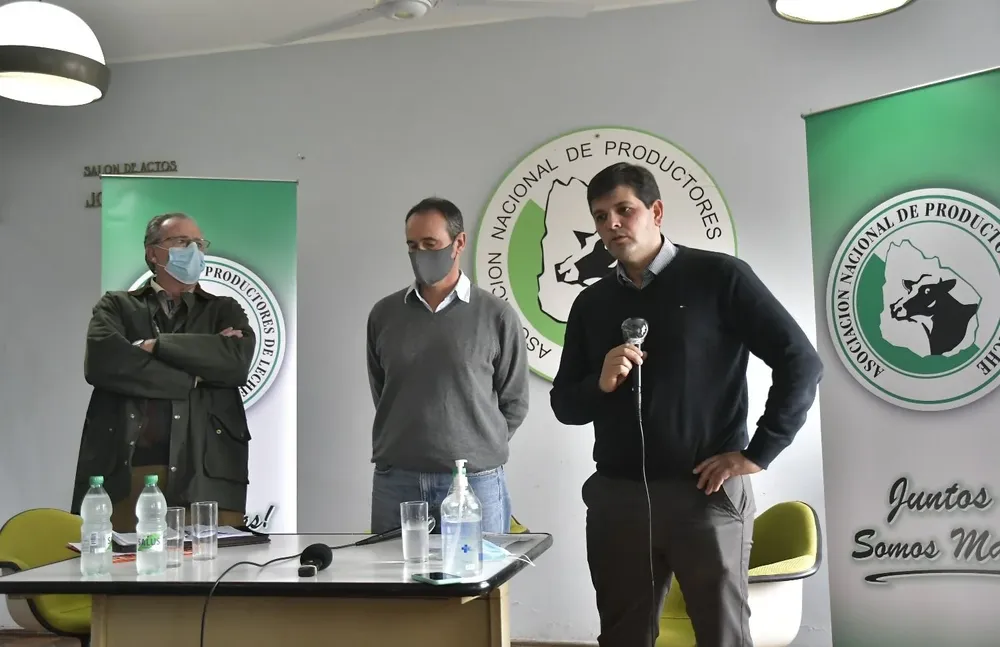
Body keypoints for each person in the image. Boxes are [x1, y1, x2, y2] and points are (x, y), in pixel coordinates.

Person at [550, 163, 823, 647]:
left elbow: (800, 362)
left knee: (722, 634)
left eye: (624, 210)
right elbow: (565, 406)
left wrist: (757, 453)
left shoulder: (720, 277)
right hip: (618, 500)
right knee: (621, 636)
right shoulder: (590, 306)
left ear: (655, 211)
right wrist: (601, 383)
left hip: (706, 495)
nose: (611, 223)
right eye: (599, 216)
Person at [71, 212, 255, 532]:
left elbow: (235, 364)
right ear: (153, 252)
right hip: (126, 472)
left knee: (210, 572)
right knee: (124, 572)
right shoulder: (116, 306)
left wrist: (156, 346)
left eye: (199, 243)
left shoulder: (224, 309)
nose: (194, 251)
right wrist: (193, 377)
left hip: (206, 475)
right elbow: (103, 363)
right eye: (182, 242)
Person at [366, 197, 530, 534]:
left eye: (431, 244)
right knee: (392, 583)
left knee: (479, 584)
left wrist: (475, 443)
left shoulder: (496, 315)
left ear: (459, 243)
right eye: (412, 246)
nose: (420, 255)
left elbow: (514, 401)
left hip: (475, 482)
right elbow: (384, 391)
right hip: (397, 482)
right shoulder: (384, 315)